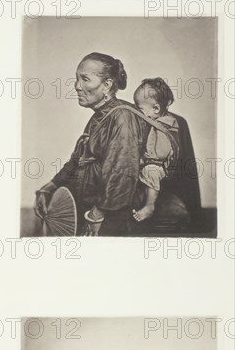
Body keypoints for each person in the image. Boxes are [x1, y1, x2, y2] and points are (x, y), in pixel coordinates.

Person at [34, 52, 148, 236]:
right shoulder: (100, 116)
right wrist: (49, 188)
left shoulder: (122, 117)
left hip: (112, 216)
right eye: (77, 79)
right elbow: (78, 161)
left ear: (107, 85)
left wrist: (97, 214)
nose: (77, 86)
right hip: (90, 209)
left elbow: (121, 171)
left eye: (85, 79)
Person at [132, 78, 179, 222]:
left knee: (150, 171)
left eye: (140, 109)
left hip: (159, 165)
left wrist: (145, 159)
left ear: (156, 109)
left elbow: (161, 153)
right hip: (150, 161)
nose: (136, 112)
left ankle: (149, 207)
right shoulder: (153, 121)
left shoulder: (164, 126)